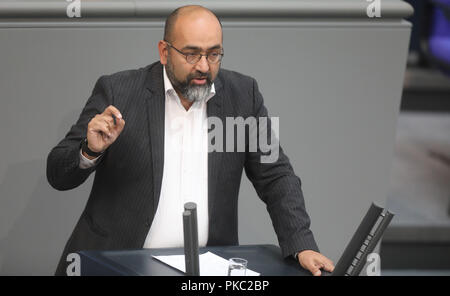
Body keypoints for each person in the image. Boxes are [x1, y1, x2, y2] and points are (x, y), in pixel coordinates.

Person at [47, 5, 334, 276]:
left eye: (213, 54)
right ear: (164, 52)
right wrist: (90, 151)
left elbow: (276, 175)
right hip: (116, 262)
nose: (204, 67)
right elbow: (58, 174)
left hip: (206, 268)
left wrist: (301, 244)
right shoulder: (118, 91)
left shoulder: (243, 96)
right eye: (191, 54)